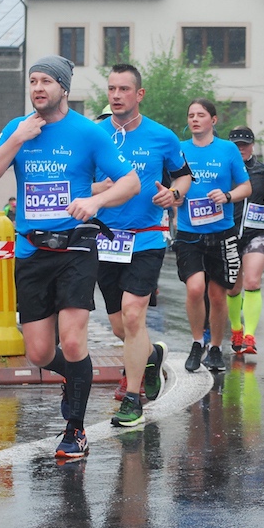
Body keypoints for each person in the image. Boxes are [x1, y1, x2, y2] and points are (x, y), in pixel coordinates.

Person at [0, 55, 140, 459]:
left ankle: (75, 429)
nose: (38, 88)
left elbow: (131, 182)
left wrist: (96, 201)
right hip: (32, 250)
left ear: (63, 88)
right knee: (39, 353)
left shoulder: (87, 132)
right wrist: (16, 139)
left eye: (46, 81)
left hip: (76, 248)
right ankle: (76, 377)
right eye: (33, 80)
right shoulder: (17, 129)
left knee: (73, 338)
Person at [94, 64, 192, 426]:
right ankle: (151, 356)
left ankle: (132, 399)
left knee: (134, 315)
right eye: (112, 89)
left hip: (147, 237)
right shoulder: (94, 134)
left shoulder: (163, 137)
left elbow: (183, 175)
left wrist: (175, 194)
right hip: (104, 239)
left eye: (124, 89)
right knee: (120, 327)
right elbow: (78, 182)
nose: (116, 95)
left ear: (139, 94)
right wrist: (99, 190)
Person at [173, 99, 251, 373]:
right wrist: (174, 197)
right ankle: (198, 342)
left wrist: (227, 196)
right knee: (195, 288)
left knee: (218, 295)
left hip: (221, 232)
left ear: (213, 120)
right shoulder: (180, 149)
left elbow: (246, 187)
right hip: (189, 233)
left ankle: (216, 347)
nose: (195, 119)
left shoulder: (227, 150)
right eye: (191, 115)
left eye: (201, 115)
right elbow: (172, 184)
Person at [225, 126, 264, 355]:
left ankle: (250, 336)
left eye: (245, 145)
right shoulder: (223, 169)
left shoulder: (263, 171)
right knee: (233, 288)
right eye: (236, 145)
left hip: (256, 233)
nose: (241, 149)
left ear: (252, 146)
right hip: (229, 234)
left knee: (253, 282)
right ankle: (236, 329)